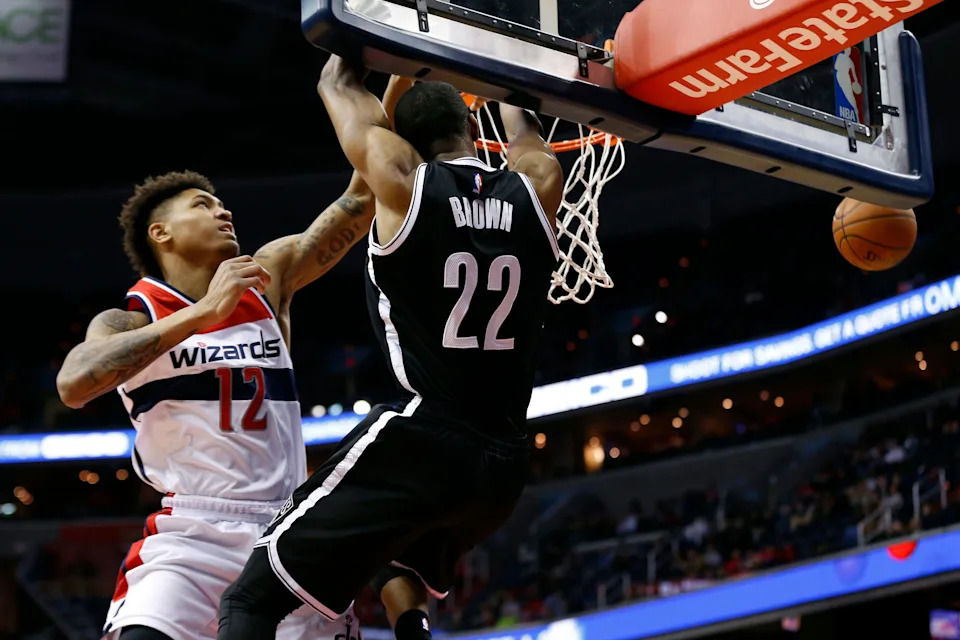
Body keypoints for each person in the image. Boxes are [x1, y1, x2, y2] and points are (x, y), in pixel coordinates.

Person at [218, 55, 563, 640]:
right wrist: (505, 62)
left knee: (249, 600)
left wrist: (375, 26)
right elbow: (524, 124)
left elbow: (337, 80)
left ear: (404, 138)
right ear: (473, 130)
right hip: (503, 463)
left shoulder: (399, 177)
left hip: (427, 438)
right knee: (388, 557)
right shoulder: (538, 184)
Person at [55, 79, 410, 640]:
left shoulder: (267, 282)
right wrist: (202, 314)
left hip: (285, 533)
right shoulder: (131, 319)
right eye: (204, 205)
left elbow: (362, 201)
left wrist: (395, 94)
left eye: (222, 203)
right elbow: (75, 384)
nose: (223, 212)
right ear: (161, 232)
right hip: (190, 533)